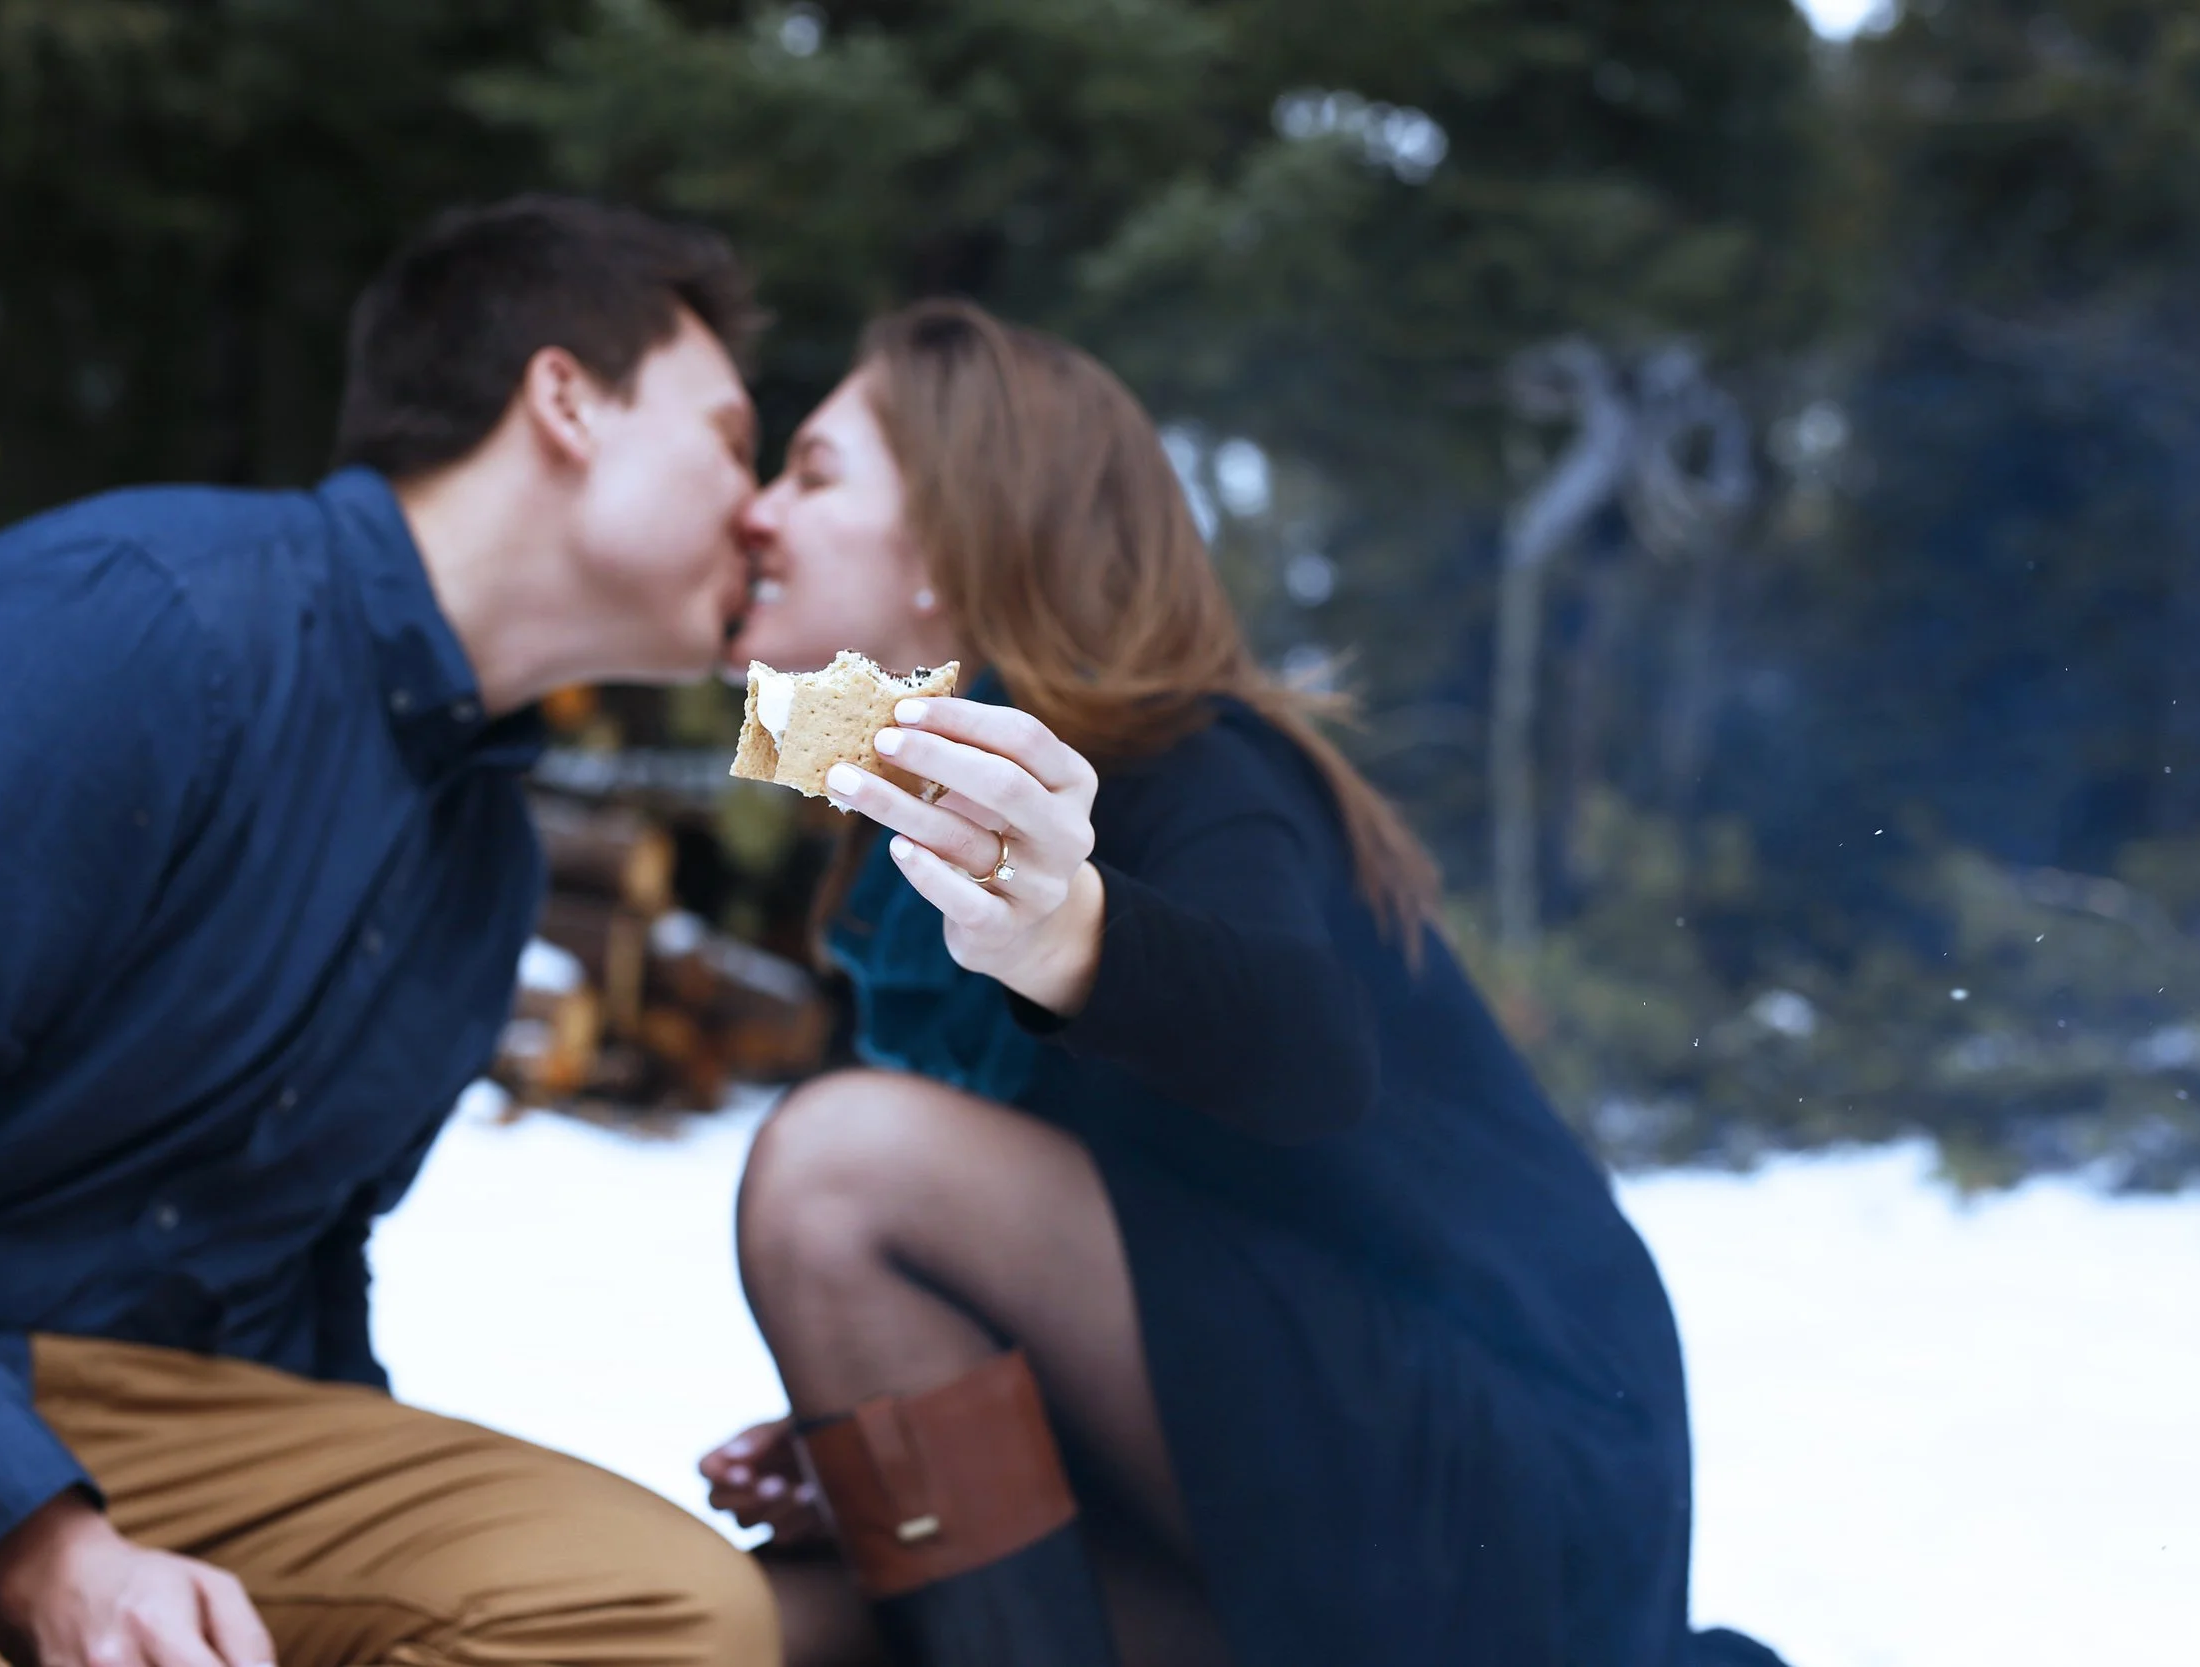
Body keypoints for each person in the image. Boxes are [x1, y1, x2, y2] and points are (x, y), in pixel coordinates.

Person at [0, 196, 780, 1667]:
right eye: (733, 438)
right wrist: (43, 1541)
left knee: (668, 1610)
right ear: (566, 401)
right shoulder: (137, 618)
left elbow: (302, 1256)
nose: (759, 512)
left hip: (154, 1420)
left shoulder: (486, 857)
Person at [698, 301, 1785, 1667]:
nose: (754, 515)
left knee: (841, 1166)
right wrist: (880, 1428)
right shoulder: (900, 868)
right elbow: (1150, 1276)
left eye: (811, 471)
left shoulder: (1190, 759)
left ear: (949, 546)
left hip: (1502, 1498)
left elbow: (1303, 1051)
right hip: (1288, 1496)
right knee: (759, 1627)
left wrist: (1073, 932)